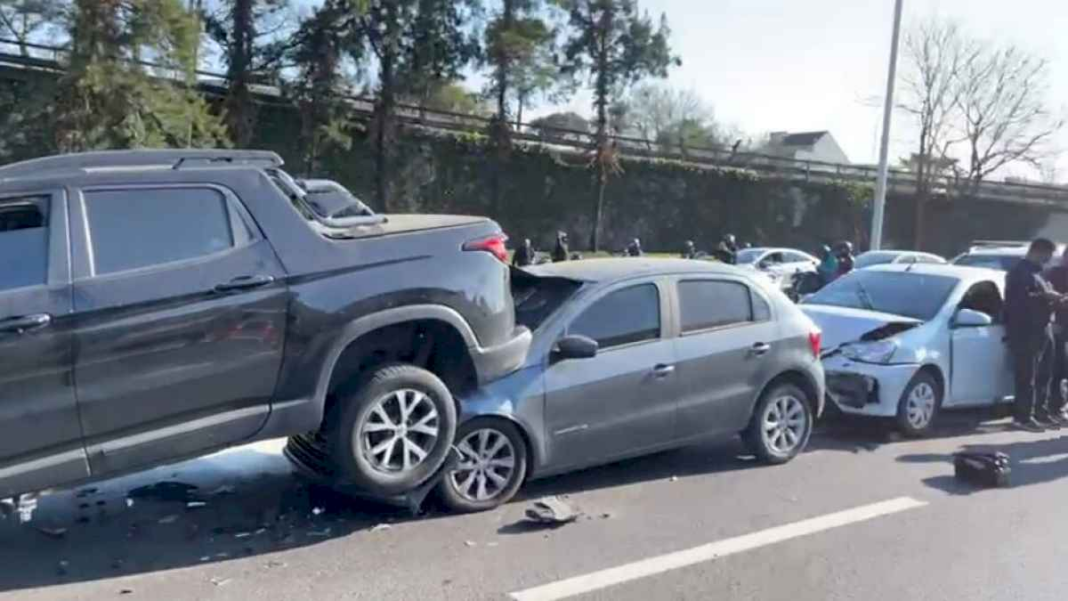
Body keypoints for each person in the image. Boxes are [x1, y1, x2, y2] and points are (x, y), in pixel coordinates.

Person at [1005, 238, 1065, 432]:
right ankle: (1022, 417)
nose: (1049, 259)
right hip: (1026, 331)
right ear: (1038, 251)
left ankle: (1041, 411)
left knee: (1045, 374)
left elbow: (1044, 293)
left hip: (1043, 328)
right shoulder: (1019, 273)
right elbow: (1020, 302)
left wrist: (1057, 299)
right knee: (1027, 376)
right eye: (1048, 255)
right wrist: (1047, 297)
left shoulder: (1038, 273)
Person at [1044, 247, 1068, 421]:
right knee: (1058, 368)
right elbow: (1046, 300)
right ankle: (1055, 406)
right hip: (1058, 326)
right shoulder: (1054, 274)